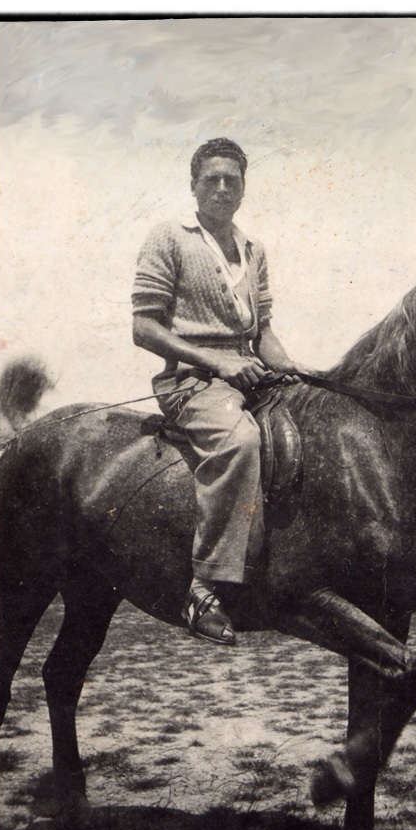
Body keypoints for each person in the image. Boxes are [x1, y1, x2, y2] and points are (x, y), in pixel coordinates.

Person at [132, 138, 298, 646]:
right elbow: (144, 327)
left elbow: (263, 332)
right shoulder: (170, 238)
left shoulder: (253, 250)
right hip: (191, 381)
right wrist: (219, 361)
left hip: (249, 376)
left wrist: (290, 367)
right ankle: (203, 588)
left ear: (244, 188)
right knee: (240, 441)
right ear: (194, 186)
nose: (223, 188)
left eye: (233, 180)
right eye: (212, 179)